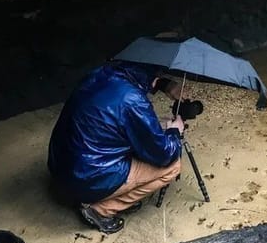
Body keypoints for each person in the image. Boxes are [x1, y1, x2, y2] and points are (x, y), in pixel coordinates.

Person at [47, 61, 185, 233]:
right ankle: (101, 209)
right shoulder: (133, 100)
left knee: (143, 132)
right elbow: (164, 154)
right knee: (173, 166)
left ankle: (99, 194)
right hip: (86, 178)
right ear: (156, 75)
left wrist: (163, 84)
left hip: (60, 165)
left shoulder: (100, 73)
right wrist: (174, 132)